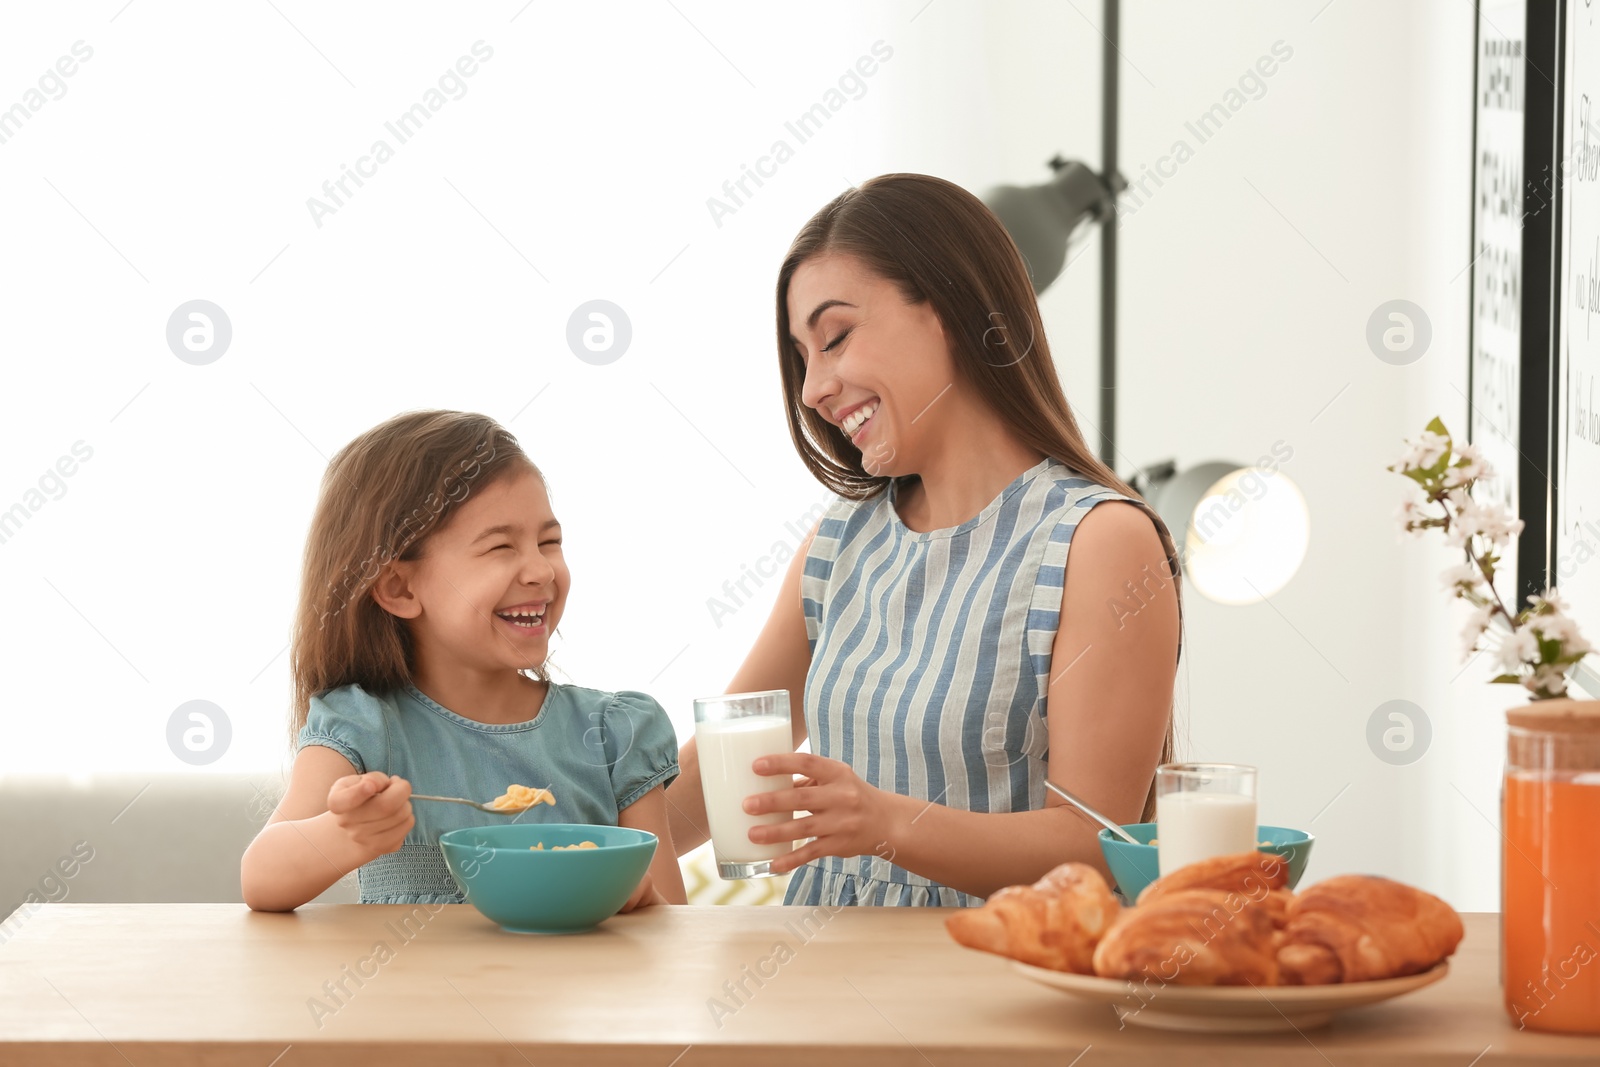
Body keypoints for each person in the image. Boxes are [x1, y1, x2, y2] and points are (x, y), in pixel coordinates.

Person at [667, 174, 1184, 907]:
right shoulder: (840, 543)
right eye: (802, 356)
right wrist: (559, 847)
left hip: (992, 995)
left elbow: (1095, 849)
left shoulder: (1100, 542)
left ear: (948, 308)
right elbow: (720, 774)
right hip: (818, 990)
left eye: (835, 336)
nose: (814, 387)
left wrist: (885, 822)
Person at [242, 410, 685, 911]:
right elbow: (262, 879)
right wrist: (345, 833)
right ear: (399, 587)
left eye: (549, 542)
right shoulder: (365, 727)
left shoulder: (613, 734)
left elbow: (675, 933)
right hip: (413, 991)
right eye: (500, 547)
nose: (541, 570)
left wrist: (642, 897)